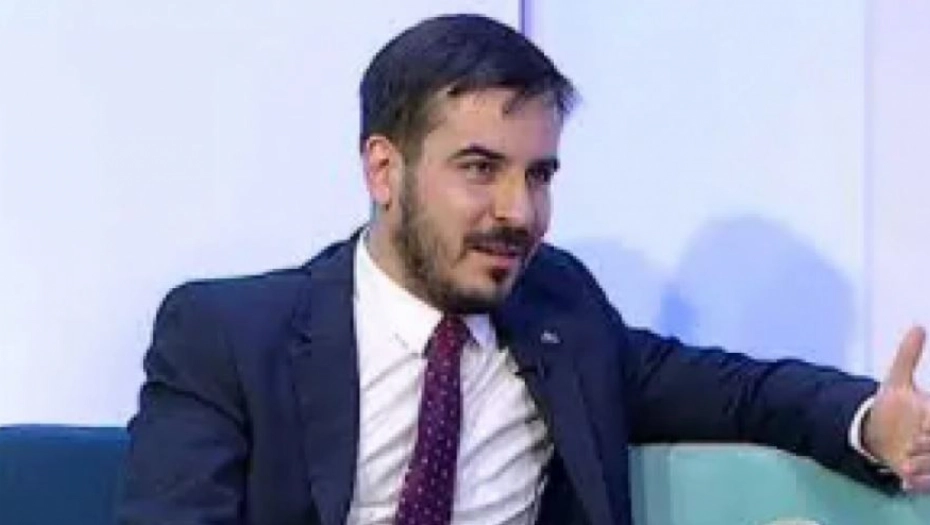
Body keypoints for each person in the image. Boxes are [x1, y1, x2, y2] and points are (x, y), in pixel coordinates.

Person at [117, 13, 930, 525]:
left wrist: (871, 419)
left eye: (539, 174)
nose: (520, 211)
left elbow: (740, 391)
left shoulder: (562, 315)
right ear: (384, 169)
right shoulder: (228, 335)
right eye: (480, 168)